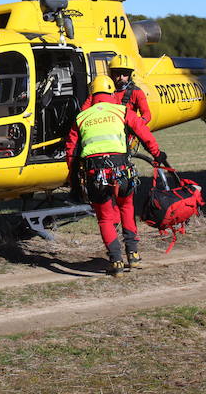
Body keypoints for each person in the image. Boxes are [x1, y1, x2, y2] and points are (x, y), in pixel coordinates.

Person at [66, 75, 168, 275]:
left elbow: (71, 150)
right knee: (126, 207)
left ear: (92, 94)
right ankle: (134, 255)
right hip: (122, 171)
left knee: (105, 218)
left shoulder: (81, 117)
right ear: (112, 92)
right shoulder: (122, 110)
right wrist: (157, 154)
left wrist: (74, 180)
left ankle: (116, 261)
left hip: (95, 174)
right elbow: (143, 132)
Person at [80, 54, 151, 124]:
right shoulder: (101, 89)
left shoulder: (136, 92)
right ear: (111, 74)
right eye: (118, 74)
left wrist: (137, 125)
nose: (121, 77)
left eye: (125, 74)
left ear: (130, 75)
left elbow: (147, 114)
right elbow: (84, 112)